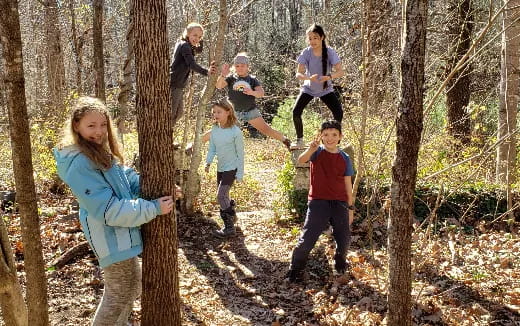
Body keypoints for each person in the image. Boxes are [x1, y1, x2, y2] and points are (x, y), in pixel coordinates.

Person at [53, 96, 175, 325]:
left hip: (121, 233)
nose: (99, 131)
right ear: (76, 126)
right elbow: (108, 210)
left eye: (102, 125)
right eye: (91, 125)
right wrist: (153, 208)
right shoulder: (80, 163)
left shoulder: (99, 151)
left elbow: (125, 179)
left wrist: (157, 187)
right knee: (118, 294)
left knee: (131, 288)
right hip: (109, 236)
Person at [286, 120, 354, 283]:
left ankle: (340, 263)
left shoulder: (344, 157)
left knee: (344, 239)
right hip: (318, 202)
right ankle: (295, 269)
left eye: (334, 135)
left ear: (340, 137)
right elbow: (301, 160)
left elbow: (347, 183)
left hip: (339, 203)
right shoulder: (317, 152)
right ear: (321, 136)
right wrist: (311, 148)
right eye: (326, 135)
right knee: (308, 238)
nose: (330, 138)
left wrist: (350, 207)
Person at [212, 52, 291, 150]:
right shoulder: (231, 78)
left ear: (248, 66)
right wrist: (223, 75)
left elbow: (261, 93)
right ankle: (194, 145)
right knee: (219, 128)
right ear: (234, 67)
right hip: (233, 112)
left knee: (267, 130)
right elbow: (219, 86)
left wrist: (252, 92)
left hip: (250, 111)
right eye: (237, 66)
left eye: (242, 65)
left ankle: (286, 141)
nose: (240, 68)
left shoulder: (252, 80)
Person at [292, 24, 345, 147]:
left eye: (315, 38)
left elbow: (341, 71)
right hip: (309, 88)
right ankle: (300, 140)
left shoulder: (330, 52)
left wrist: (329, 77)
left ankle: (335, 141)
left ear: (322, 37)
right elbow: (298, 73)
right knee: (296, 112)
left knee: (338, 113)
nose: (312, 41)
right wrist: (307, 77)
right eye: (310, 38)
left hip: (325, 89)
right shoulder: (306, 52)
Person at [205, 99, 244, 238]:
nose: (216, 114)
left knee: (220, 195)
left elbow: (241, 154)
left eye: (219, 112)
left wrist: (240, 173)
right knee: (224, 196)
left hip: (231, 168)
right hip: (220, 168)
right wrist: (208, 162)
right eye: (214, 112)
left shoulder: (236, 132)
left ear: (228, 112)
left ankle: (229, 228)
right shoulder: (215, 129)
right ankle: (232, 215)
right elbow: (212, 148)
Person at [170, 22, 217, 124]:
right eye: (194, 35)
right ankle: (164, 135)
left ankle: (167, 132)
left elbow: (199, 50)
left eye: (199, 37)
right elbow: (192, 64)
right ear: (187, 33)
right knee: (171, 114)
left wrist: (199, 39)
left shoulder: (184, 43)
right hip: (174, 83)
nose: (197, 38)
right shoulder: (185, 46)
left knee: (179, 113)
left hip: (178, 84)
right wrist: (207, 72)